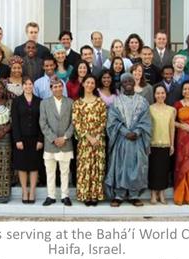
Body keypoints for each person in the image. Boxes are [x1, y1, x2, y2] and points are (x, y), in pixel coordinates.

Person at [105, 73, 151, 207]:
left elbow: (146, 121)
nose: (128, 83)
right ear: (121, 84)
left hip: (137, 140)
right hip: (121, 139)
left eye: (130, 81)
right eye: (125, 82)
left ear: (134, 82)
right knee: (119, 166)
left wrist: (136, 132)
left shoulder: (143, 101)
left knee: (136, 167)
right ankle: (119, 195)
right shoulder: (116, 102)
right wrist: (125, 132)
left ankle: (134, 195)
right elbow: (112, 122)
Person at [72, 74, 107, 206]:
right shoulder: (77, 103)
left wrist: (96, 137)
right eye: (88, 82)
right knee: (85, 168)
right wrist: (89, 137)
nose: (90, 85)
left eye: (92, 83)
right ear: (83, 84)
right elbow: (77, 122)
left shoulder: (100, 102)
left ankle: (95, 195)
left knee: (97, 167)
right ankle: (85, 195)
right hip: (85, 141)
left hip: (98, 141)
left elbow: (103, 121)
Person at [39, 77, 74, 206]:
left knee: (65, 171)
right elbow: (43, 123)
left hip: (66, 142)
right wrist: (54, 138)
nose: (58, 88)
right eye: (55, 87)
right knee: (50, 171)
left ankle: (65, 196)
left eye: (60, 86)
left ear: (63, 87)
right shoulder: (44, 103)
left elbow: (73, 122)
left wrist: (64, 137)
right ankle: (51, 196)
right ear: (51, 89)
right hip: (50, 143)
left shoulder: (70, 102)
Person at [12, 77, 43, 204]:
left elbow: (42, 121)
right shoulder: (17, 101)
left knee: (34, 166)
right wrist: (17, 139)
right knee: (22, 166)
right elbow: (15, 122)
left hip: (35, 138)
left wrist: (41, 139)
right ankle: (25, 191)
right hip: (22, 139)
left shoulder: (39, 101)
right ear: (22, 86)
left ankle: (33, 191)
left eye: (30, 84)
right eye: (26, 84)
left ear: (33, 86)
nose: (28, 86)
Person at [148, 84, 175, 205]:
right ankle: (153, 194)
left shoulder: (171, 110)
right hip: (153, 143)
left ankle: (162, 194)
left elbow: (172, 128)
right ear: (154, 95)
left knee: (164, 170)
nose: (160, 95)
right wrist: (147, 143)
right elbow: (148, 128)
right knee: (153, 169)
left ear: (166, 94)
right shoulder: (150, 109)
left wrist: (172, 144)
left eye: (162, 93)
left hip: (165, 143)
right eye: (158, 93)